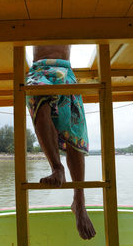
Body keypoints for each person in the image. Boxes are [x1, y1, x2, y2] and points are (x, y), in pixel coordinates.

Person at [26, 45, 96, 240]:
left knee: (73, 129)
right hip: (39, 69)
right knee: (37, 99)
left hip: (65, 69)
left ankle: (79, 203)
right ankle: (57, 168)